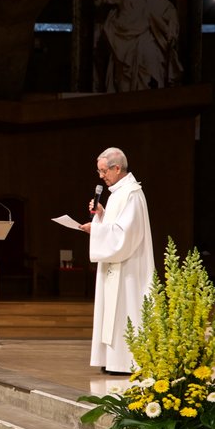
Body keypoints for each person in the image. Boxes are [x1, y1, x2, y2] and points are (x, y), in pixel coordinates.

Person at [79, 147, 155, 375]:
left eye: (104, 171)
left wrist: (97, 229)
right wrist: (102, 215)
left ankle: (125, 362)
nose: (101, 176)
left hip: (128, 269)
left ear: (117, 168)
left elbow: (125, 235)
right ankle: (112, 360)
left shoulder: (131, 193)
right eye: (99, 171)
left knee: (125, 309)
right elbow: (116, 227)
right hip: (116, 265)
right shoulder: (118, 193)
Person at [85, 0, 183, 92]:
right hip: (122, 42)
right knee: (124, 82)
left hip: (146, 39)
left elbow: (169, 11)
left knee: (150, 72)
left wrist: (172, 27)